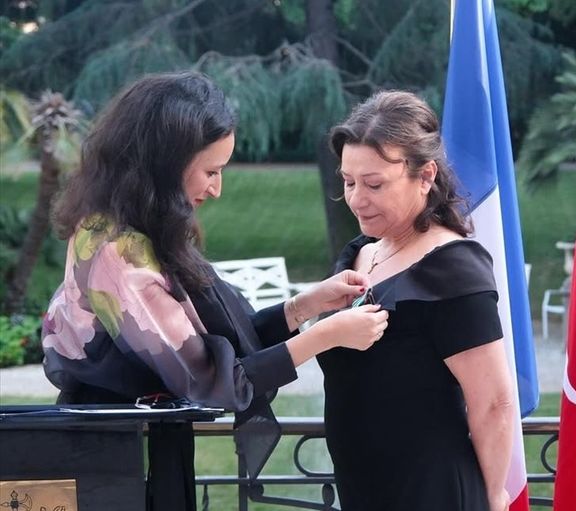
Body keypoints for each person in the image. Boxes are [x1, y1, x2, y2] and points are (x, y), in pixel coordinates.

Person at [40, 72, 389, 511]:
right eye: (211, 171)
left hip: (127, 449)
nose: (216, 189)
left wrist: (306, 305)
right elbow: (213, 379)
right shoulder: (117, 250)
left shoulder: (139, 228)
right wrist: (326, 336)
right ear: (166, 162)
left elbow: (224, 338)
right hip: (113, 461)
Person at [318, 90, 515, 511]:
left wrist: (493, 498)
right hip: (364, 490)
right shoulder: (360, 254)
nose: (356, 199)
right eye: (349, 182)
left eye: (374, 184)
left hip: (433, 492)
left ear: (425, 176)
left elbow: (493, 403)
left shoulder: (453, 268)